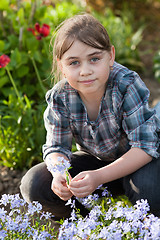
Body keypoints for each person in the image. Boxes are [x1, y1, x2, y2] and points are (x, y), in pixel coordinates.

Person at [20, 13, 160, 220]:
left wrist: (99, 177)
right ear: (61, 66)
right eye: (74, 62)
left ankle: (147, 226)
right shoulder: (61, 96)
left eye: (94, 59)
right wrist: (60, 173)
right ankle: (85, 225)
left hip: (137, 162)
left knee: (150, 188)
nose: (85, 71)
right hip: (95, 162)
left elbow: (145, 147)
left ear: (110, 56)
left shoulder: (126, 85)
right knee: (35, 183)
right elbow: (56, 148)